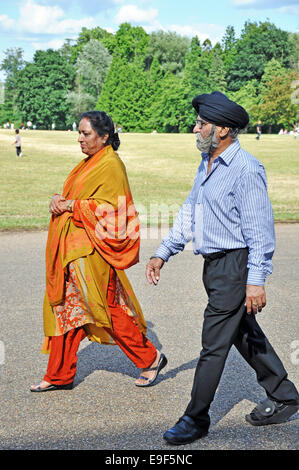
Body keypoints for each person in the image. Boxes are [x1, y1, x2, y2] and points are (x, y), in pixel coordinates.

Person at [146, 91, 299, 446]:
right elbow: (190, 212)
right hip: (215, 267)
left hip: (235, 265)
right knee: (243, 332)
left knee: (213, 345)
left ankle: (195, 418)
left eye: (202, 124)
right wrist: (163, 252)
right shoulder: (208, 163)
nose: (196, 129)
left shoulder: (246, 169)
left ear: (224, 130)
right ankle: (285, 395)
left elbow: (260, 231)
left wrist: (256, 281)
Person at [30, 111, 167, 393]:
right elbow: (77, 197)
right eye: (79, 133)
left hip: (93, 253)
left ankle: (150, 358)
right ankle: (59, 374)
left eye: (86, 134)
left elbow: (114, 211)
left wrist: (70, 206)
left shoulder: (111, 164)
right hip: (71, 250)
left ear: (104, 136)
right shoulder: (89, 163)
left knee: (106, 309)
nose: (80, 138)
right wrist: (59, 200)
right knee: (67, 310)